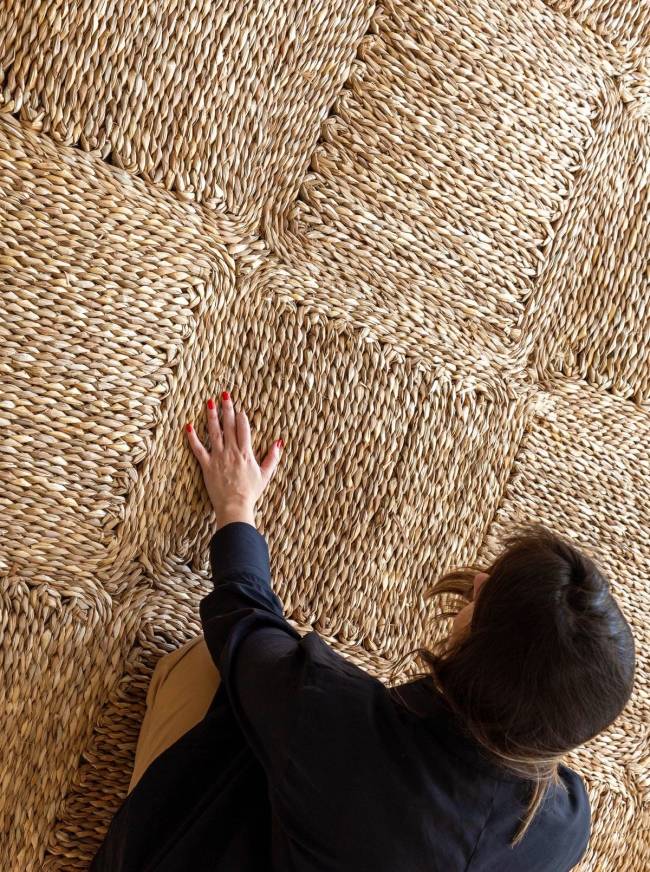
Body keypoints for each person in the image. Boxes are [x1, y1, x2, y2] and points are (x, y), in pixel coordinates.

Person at [90, 391, 635, 871]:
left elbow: (244, 622)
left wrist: (236, 506)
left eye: (487, 596)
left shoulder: (331, 717)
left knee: (206, 666)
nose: (481, 579)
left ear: (478, 657)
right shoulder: (566, 828)